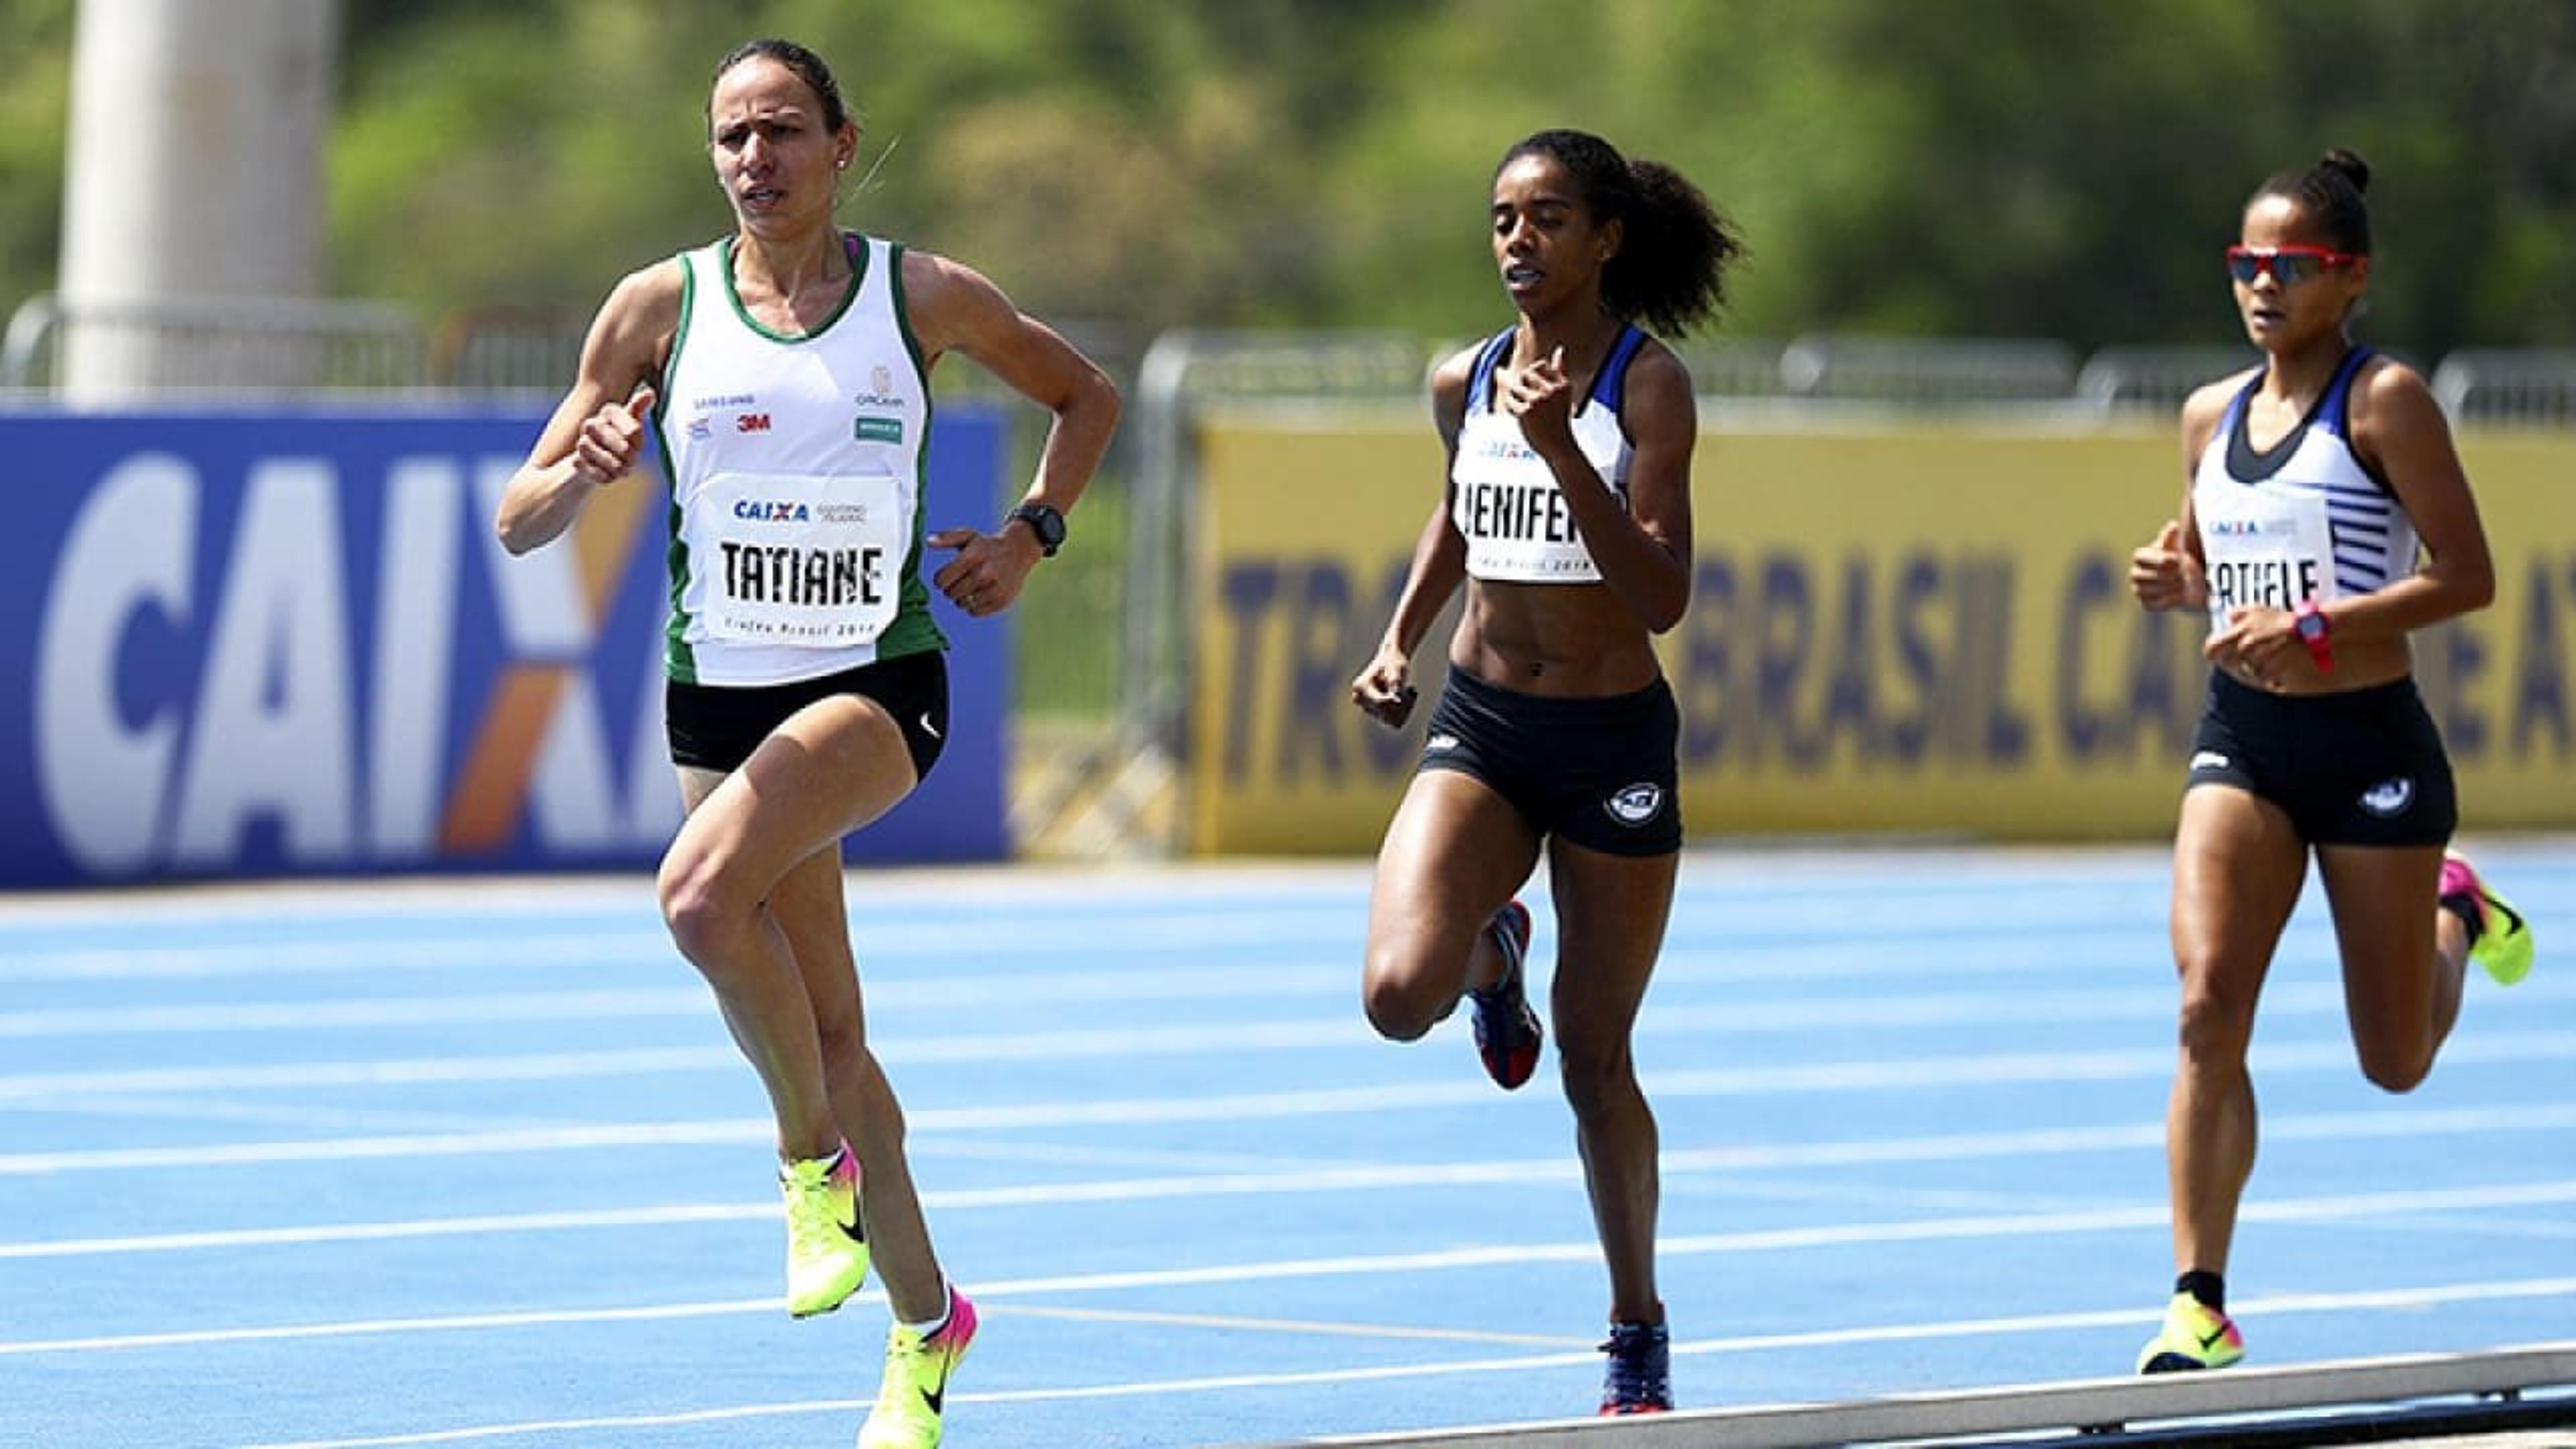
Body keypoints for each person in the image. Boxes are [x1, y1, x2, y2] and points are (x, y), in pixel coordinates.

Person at [493, 38, 1118, 1448]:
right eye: (730, 137)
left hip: (876, 686)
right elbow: (516, 517)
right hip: (718, 700)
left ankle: (803, 1169)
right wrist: (577, 476)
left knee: (698, 898)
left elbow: (1089, 396)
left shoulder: (923, 295)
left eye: (781, 131)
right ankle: (927, 1325)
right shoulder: (659, 306)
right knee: (835, 1040)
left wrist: (1033, 534)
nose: (754, 159)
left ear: (843, 144)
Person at [1349, 128, 1741, 1416]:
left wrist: (1569, 449)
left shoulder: (1652, 388)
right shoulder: (1461, 379)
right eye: (1504, 221)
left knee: (1594, 1064)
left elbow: (1665, 594)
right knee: (1399, 994)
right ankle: (1488, 960)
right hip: (1486, 726)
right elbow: (1460, 510)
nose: (1520, 243)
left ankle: (1637, 1325)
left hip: (1614, 748)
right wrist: (1400, 639)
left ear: (1605, 240)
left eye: (1549, 220)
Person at [2125, 148, 2533, 1375]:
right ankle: (2199, 1302)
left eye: (2290, 266)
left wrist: (2316, 627)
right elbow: (2207, 561)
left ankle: (2457, 909)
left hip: (2370, 748)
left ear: (2347, 279)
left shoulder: (2385, 401)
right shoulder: (2207, 415)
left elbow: (2466, 578)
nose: (2262, 285)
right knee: (2206, 1006)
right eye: (2247, 262)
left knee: (2394, 1059)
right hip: (2244, 737)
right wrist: (2175, 581)